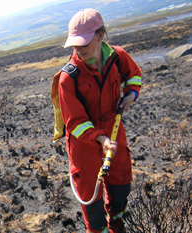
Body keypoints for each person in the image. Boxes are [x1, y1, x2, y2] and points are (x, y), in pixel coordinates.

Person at [58, 9, 142, 233]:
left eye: (83, 43)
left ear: (100, 35)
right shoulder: (68, 78)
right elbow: (75, 122)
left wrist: (132, 94)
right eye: (75, 45)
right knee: (92, 206)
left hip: (114, 136)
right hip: (85, 145)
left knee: (121, 186)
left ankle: (118, 226)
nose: (78, 50)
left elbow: (134, 75)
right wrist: (99, 137)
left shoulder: (118, 57)